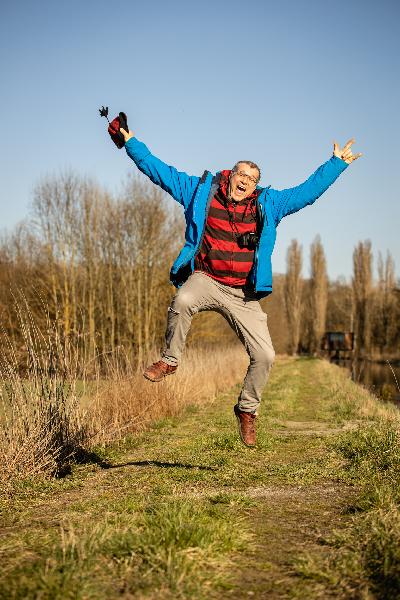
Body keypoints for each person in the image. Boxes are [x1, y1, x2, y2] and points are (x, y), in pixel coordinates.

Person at [118, 125, 361, 447]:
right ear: (230, 175)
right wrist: (130, 142)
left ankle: (247, 409)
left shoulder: (269, 204)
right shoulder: (200, 192)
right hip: (206, 279)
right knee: (183, 299)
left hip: (243, 293)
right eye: (241, 174)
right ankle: (169, 361)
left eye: (252, 178)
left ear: (256, 186)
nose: (245, 180)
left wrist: (336, 164)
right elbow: (159, 171)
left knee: (266, 355)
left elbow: (307, 193)